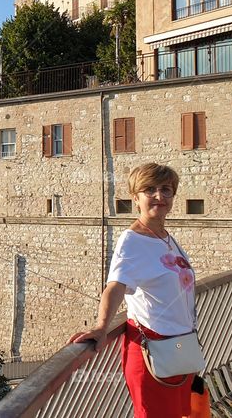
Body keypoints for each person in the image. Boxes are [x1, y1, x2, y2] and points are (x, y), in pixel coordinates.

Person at [70, 163, 198, 418]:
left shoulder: (164, 237)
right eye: (149, 190)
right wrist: (101, 326)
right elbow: (116, 285)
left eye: (166, 190)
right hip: (153, 351)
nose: (159, 196)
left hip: (180, 349)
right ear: (135, 198)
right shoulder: (132, 241)